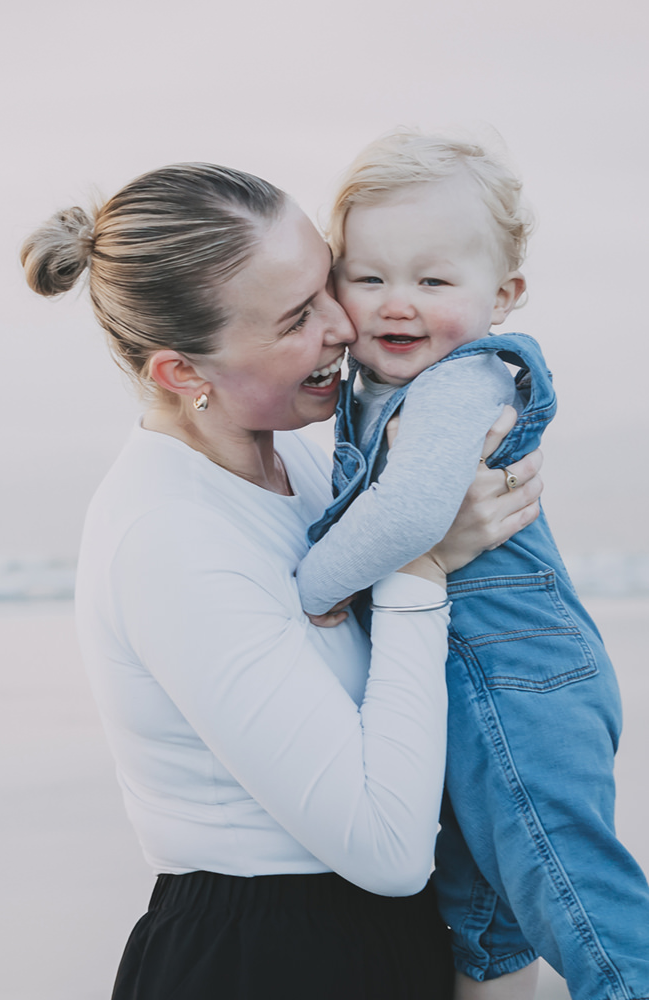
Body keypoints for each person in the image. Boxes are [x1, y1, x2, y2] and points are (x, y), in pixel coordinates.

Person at [20, 162, 542, 1000]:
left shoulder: (304, 453)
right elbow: (387, 849)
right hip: (267, 958)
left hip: (388, 946)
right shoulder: (169, 536)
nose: (345, 324)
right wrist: (419, 564)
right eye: (298, 318)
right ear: (181, 374)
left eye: (329, 281)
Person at [296, 129, 649, 1000]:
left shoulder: (463, 382)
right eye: (369, 277)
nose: (397, 304)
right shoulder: (368, 391)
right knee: (482, 922)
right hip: (462, 691)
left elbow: (412, 512)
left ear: (506, 294)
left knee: (573, 897)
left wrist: (308, 588)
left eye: (434, 280)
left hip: (519, 682)